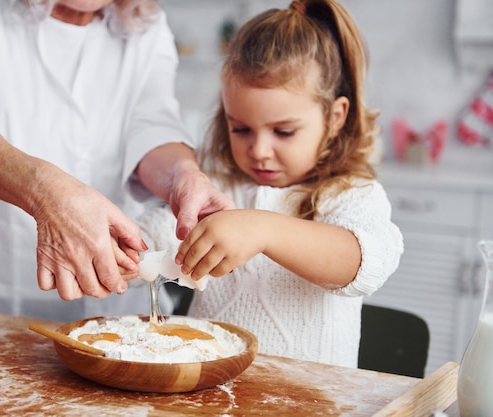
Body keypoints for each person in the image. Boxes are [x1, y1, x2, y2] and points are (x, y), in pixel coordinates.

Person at [0, 0, 233, 322]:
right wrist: (46, 194)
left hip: (119, 307)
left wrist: (184, 175)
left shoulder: (146, 26)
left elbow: (153, 126)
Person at [136, 0, 403, 368]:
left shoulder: (350, 195)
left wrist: (264, 228)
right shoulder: (219, 190)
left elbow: (364, 264)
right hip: (210, 399)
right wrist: (126, 250)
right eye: (240, 128)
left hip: (310, 401)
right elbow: (163, 231)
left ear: (335, 117)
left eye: (284, 131)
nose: (259, 150)